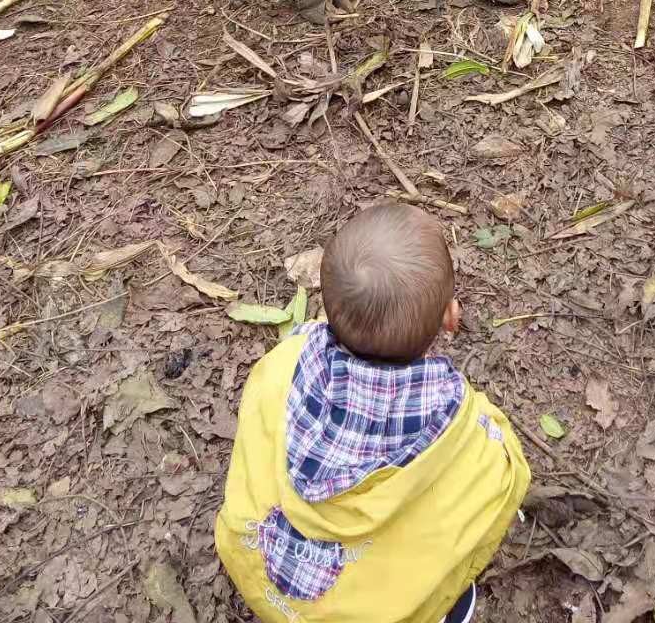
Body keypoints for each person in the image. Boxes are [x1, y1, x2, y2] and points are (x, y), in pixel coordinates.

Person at [216, 202, 530, 622]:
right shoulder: (460, 425)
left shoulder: (284, 363)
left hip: (260, 577)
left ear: (327, 311)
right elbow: (503, 479)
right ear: (450, 318)